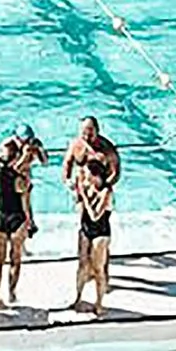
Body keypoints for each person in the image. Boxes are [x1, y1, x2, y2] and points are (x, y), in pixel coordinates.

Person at [65, 118, 121, 316]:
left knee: (99, 262)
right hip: (85, 195)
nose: (86, 135)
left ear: (97, 131)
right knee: (82, 261)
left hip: (97, 200)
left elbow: (116, 172)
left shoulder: (106, 149)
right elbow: (67, 165)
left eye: (90, 131)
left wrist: (101, 187)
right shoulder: (76, 145)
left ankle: (101, 289)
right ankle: (79, 294)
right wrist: (72, 185)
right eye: (84, 131)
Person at [0, 127, 43, 309]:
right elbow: (26, 205)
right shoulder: (22, 179)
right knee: (15, 260)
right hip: (17, 219)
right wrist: (30, 222)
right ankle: (11, 293)